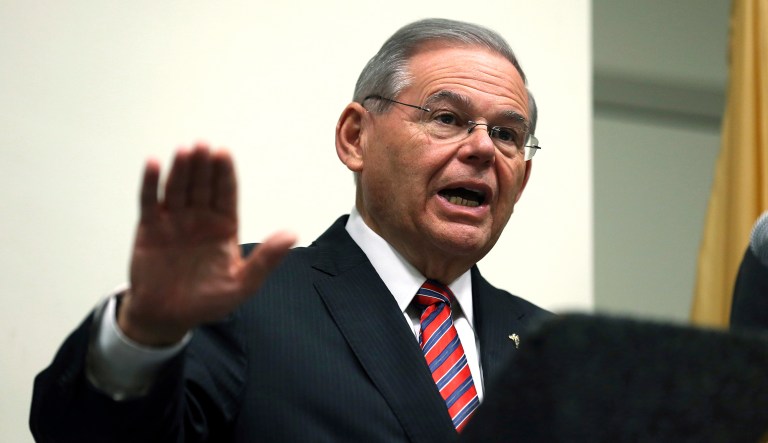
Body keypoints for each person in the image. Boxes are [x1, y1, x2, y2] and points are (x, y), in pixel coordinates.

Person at [30, 18, 552, 442]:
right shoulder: (241, 298)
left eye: (507, 134)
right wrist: (139, 335)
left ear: (522, 177)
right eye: (445, 117)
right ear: (355, 138)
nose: (483, 148)